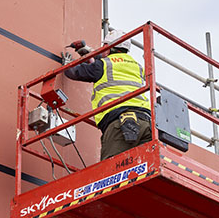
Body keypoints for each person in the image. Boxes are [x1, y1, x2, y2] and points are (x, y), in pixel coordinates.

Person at [63, 30, 152, 160]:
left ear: (107, 47)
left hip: (120, 124)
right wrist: (90, 54)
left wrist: (66, 64)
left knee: (112, 170)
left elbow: (73, 72)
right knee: (144, 168)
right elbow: (113, 64)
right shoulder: (137, 66)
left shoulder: (102, 65)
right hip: (146, 123)